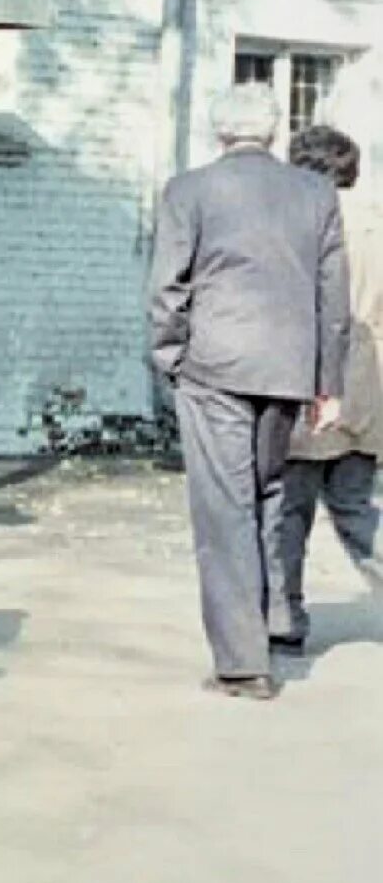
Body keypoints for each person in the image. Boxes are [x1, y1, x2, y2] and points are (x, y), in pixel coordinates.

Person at [147, 82, 350, 699]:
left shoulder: (189, 190)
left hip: (215, 368)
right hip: (289, 368)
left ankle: (242, 663)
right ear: (272, 131)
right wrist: (328, 382)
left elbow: (166, 290)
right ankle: (273, 622)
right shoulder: (316, 193)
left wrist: (169, 360)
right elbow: (332, 295)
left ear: (220, 132)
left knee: (224, 507)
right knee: (268, 492)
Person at [268, 125, 381, 650]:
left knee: (291, 511)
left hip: (315, 382)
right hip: (371, 388)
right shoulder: (378, 222)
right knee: (357, 509)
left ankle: (284, 616)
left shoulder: (307, 222)